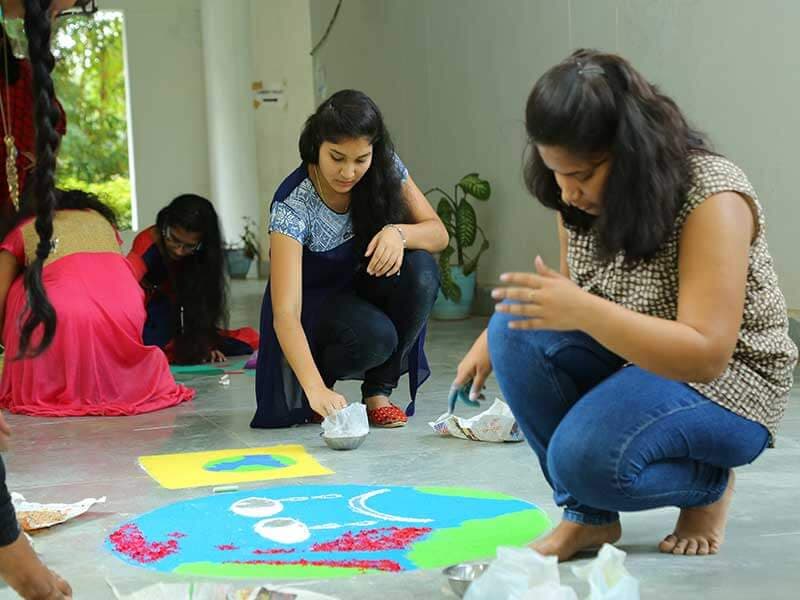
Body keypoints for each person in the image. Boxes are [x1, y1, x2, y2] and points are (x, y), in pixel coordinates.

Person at [454, 49, 798, 561]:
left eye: (583, 176)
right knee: (512, 329)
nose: (568, 194)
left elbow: (706, 356)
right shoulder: (572, 194)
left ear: (630, 151)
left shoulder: (711, 197)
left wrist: (582, 311)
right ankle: (588, 521)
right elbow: (576, 291)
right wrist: (497, 337)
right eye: (556, 174)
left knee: (585, 461)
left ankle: (706, 484)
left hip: (731, 386)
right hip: (639, 359)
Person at [252, 89, 447, 429]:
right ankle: (322, 380)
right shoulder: (292, 205)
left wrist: (398, 233)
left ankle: (378, 393)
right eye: (337, 157)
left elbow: (438, 234)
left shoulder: (385, 169)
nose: (348, 172)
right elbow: (285, 313)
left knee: (423, 270)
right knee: (376, 337)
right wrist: (313, 389)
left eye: (361, 160)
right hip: (312, 311)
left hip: (359, 289)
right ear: (316, 147)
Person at [127, 194, 259, 364]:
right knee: (150, 349)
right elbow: (125, 288)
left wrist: (204, 345)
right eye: (174, 239)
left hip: (181, 316)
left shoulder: (204, 255)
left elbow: (200, 307)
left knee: (243, 343)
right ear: (165, 226)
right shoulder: (146, 243)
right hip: (148, 312)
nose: (179, 251)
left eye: (190, 246)